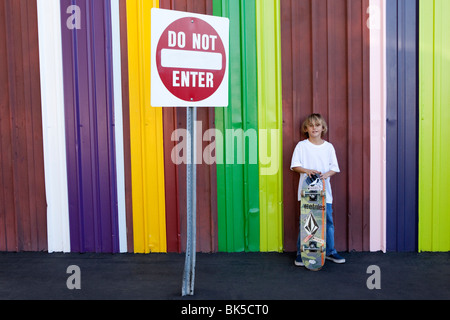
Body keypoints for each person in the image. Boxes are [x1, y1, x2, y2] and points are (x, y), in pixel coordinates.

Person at [290, 113, 345, 266]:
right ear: (306, 128)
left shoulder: (328, 147)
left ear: (323, 128)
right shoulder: (302, 146)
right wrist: (307, 170)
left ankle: (330, 251)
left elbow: (334, 168)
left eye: (317, 125)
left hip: (324, 193)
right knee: (307, 223)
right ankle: (302, 253)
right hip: (307, 193)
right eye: (311, 125)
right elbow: (295, 165)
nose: (314, 128)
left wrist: (326, 175)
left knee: (327, 221)